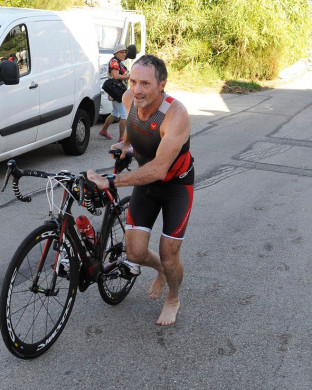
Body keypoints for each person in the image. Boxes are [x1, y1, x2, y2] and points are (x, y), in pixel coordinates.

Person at [87, 54, 194, 326]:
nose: (136, 89)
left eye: (145, 84)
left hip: (175, 186)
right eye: (133, 81)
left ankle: (173, 296)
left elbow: (159, 168)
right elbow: (132, 134)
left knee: (170, 255)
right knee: (134, 253)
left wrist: (111, 182)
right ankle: (159, 269)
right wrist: (124, 146)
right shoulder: (128, 100)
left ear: (162, 85)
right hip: (146, 185)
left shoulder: (176, 115)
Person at [99, 44, 130, 142]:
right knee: (124, 115)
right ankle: (121, 138)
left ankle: (104, 130)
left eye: (125, 52)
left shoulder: (118, 62)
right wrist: (129, 77)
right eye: (121, 52)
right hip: (117, 92)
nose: (124, 54)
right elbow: (115, 76)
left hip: (116, 91)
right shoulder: (114, 62)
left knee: (115, 113)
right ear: (116, 53)